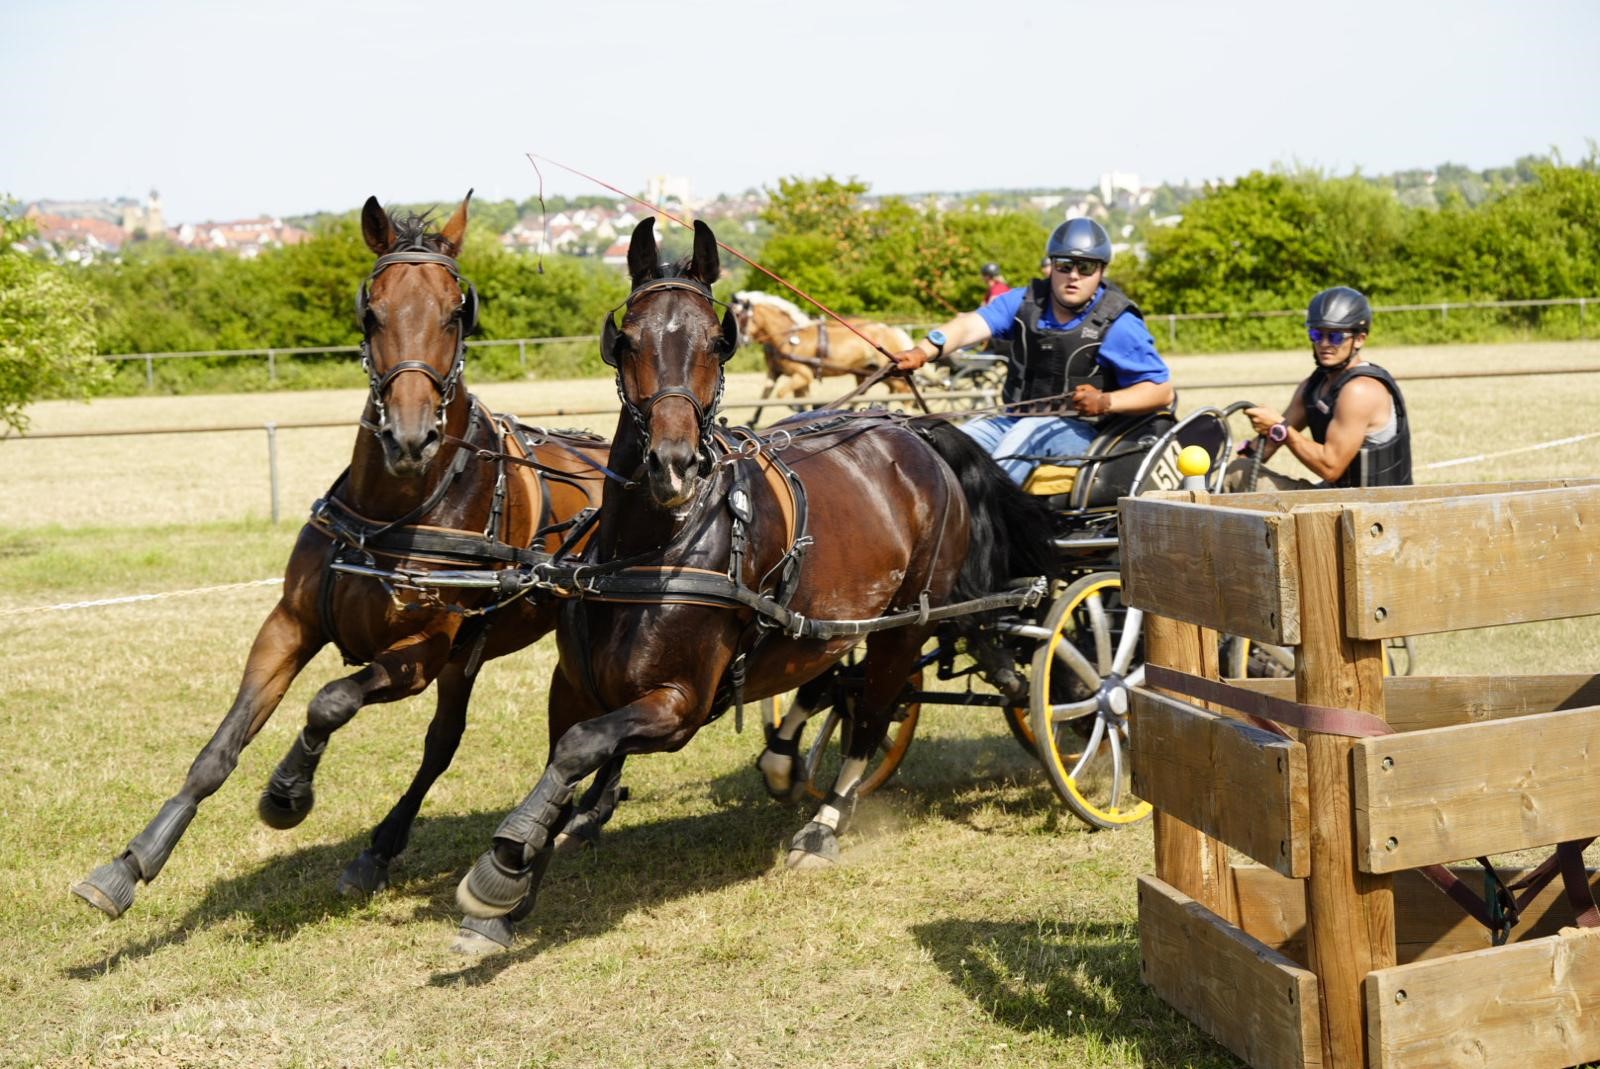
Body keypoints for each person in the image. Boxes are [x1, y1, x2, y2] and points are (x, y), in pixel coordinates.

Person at [893, 218, 1173, 485]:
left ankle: (990, 528)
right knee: (950, 443)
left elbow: (1162, 391)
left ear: (1101, 271)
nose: (1074, 275)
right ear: (1052, 266)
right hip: (1012, 421)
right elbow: (968, 326)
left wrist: (1105, 401)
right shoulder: (1023, 301)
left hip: (1084, 431)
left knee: (1026, 436)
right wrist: (924, 350)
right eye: (1064, 265)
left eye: (1086, 267)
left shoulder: (1120, 323)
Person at [1228, 286, 1412, 491]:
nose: (1324, 344)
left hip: (1373, 510)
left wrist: (1279, 428)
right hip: (1338, 499)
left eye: (1335, 336)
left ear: (1359, 339)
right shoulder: (1313, 387)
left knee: (1238, 475)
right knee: (1237, 470)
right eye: (1317, 334)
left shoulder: (1361, 390)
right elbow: (1268, 445)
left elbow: (1330, 467)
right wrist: (1230, 465)